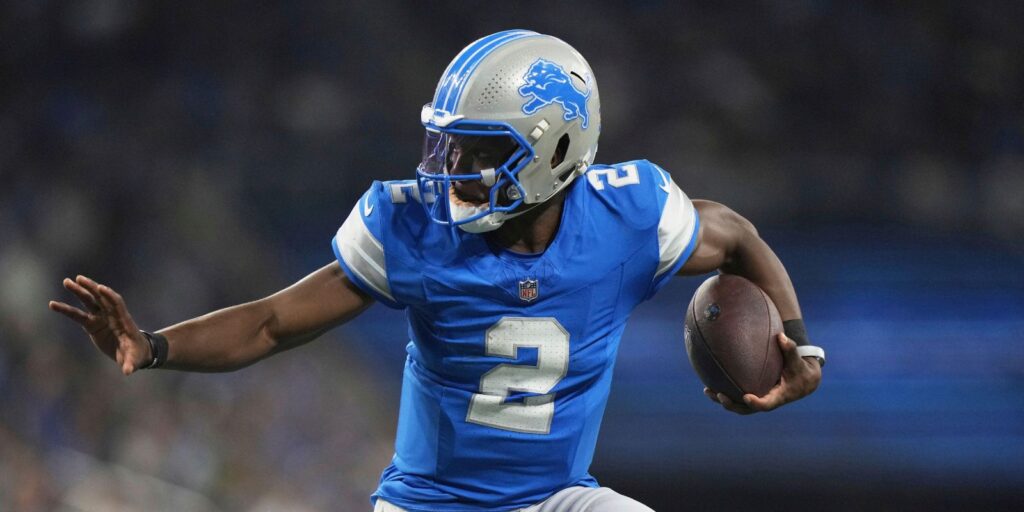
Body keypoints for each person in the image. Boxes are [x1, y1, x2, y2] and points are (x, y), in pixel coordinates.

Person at [50, 30, 824, 512]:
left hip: (551, 499)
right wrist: (151, 346)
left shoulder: (626, 218)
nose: (452, 171)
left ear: (556, 153)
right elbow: (272, 320)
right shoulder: (414, 229)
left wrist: (798, 347)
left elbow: (738, 235)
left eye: (482, 153)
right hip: (430, 506)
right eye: (449, 148)